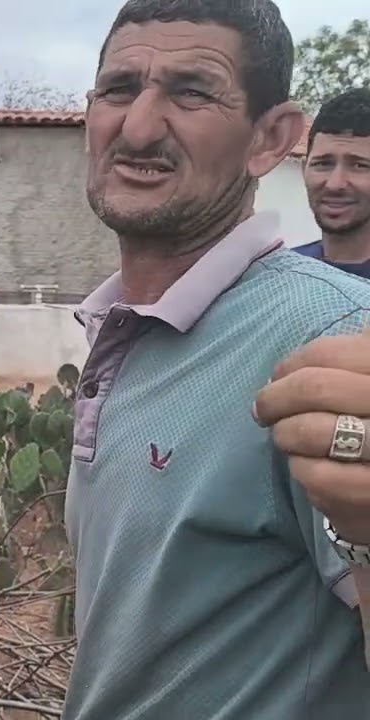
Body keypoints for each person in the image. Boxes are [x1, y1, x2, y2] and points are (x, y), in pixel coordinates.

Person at [65, 1, 370, 718]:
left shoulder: (327, 336)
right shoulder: (119, 330)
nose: (137, 127)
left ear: (271, 139)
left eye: (191, 92)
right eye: (118, 89)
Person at [292, 87, 370, 279]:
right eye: (323, 164)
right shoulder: (280, 276)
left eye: (359, 165)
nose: (335, 184)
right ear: (304, 170)